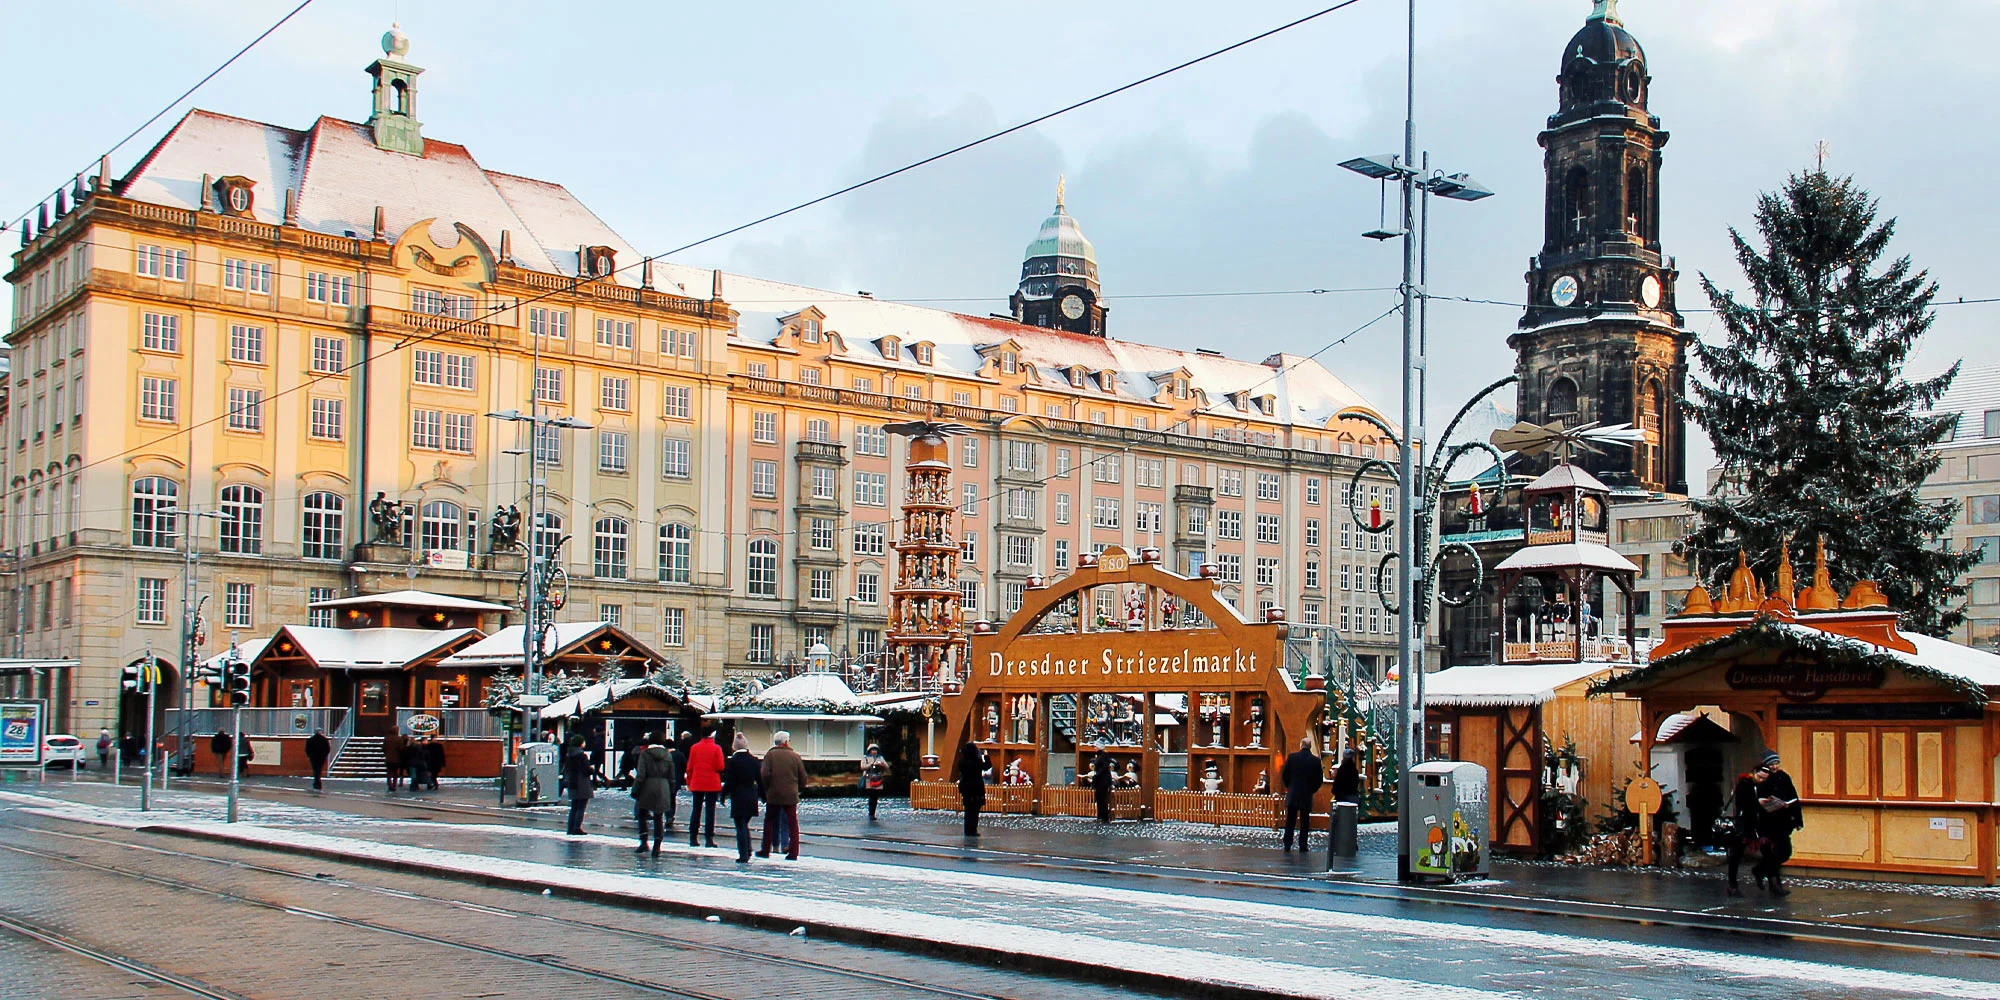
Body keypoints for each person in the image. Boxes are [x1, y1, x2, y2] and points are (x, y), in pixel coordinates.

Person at [1751, 752, 1803, 896]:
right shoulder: (1762, 779)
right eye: (1771, 764)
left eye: (1776, 763)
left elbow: (1794, 798)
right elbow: (1757, 800)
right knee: (1770, 854)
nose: (1774, 766)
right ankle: (1775, 885)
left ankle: (1759, 870)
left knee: (1784, 852)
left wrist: (1797, 820)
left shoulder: (1784, 777)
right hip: (1766, 823)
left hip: (1783, 822)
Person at [758, 730, 808, 860]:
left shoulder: (770, 755)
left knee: (769, 821)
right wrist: (799, 788)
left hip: (774, 793)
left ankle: (765, 849)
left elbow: (764, 774)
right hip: (790, 794)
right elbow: (803, 776)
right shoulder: (795, 756)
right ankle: (793, 852)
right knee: (792, 823)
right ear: (786, 742)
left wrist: (767, 788)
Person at [1724, 764, 1764, 897]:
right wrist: (1758, 803)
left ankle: (1761, 873)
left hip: (1755, 824)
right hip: (1744, 825)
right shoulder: (1745, 784)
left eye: (1764, 778)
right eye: (1760, 777)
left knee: (1768, 851)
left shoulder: (1760, 785)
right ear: (1755, 773)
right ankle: (1732, 884)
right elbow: (1743, 804)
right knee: (1736, 854)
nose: (1761, 780)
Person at [721, 733, 763, 863]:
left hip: (738, 795)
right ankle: (748, 849)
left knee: (740, 825)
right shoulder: (754, 760)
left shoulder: (733, 761)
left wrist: (723, 795)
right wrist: (763, 796)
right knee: (745, 824)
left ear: (735, 747)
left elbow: (729, 781)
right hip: (751, 795)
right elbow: (760, 780)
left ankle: (743, 853)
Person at [630, 733, 673, 855]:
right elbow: (672, 774)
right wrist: (671, 789)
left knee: (642, 814)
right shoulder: (667, 754)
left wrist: (635, 789)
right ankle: (657, 846)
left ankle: (644, 842)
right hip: (663, 786)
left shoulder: (645, 754)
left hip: (647, 786)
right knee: (659, 816)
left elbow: (641, 774)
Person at [1280, 736, 1324, 851]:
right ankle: (1303, 845)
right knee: (1305, 821)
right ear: (1310, 747)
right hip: (1306, 794)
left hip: (1293, 793)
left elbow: (1284, 775)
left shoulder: (1292, 758)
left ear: (1301, 745)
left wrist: (1289, 787)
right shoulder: (1316, 761)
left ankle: (1287, 843)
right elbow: (1319, 779)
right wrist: (1312, 789)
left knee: (1290, 820)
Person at [685, 728, 725, 848]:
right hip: (712, 783)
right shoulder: (716, 748)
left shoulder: (694, 747)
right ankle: (709, 838)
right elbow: (720, 766)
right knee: (710, 811)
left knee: (696, 809)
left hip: (697, 782)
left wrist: (689, 781)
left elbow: (690, 766)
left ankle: (693, 837)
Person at [562, 734, 594, 836]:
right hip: (582, 783)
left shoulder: (569, 754)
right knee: (581, 807)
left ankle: (570, 828)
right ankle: (577, 828)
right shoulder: (581, 756)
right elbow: (587, 770)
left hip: (572, 782)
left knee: (574, 806)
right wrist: (592, 769)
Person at [955, 739, 988, 837]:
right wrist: (986, 756)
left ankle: (967, 829)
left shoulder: (962, 761)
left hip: (966, 787)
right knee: (975, 811)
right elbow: (987, 766)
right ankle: (973, 829)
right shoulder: (976, 762)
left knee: (968, 809)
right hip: (976, 788)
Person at [860, 743, 889, 821]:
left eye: (875, 750)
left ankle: (873, 813)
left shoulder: (880, 758)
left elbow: (887, 767)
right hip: (869, 778)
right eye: (873, 750)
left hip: (878, 778)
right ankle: (871, 813)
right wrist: (871, 764)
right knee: (871, 796)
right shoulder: (865, 758)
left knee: (875, 797)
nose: (874, 751)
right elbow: (862, 767)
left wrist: (882, 765)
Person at [1091, 749, 1113, 823]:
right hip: (1101, 781)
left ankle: (1104, 817)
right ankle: (1101, 816)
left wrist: (1097, 775)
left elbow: (1103, 768)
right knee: (1100, 800)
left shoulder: (1102, 757)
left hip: (1102, 782)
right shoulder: (1102, 757)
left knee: (1102, 800)